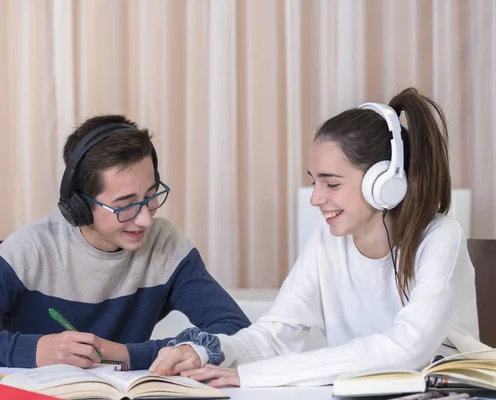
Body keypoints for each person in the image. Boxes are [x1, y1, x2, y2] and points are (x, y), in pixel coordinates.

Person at [149, 87, 484, 388]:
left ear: (384, 182)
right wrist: (209, 351)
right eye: (315, 182)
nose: (316, 198)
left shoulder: (441, 237)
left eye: (332, 183)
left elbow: (406, 348)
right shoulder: (328, 243)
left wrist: (250, 376)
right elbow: (276, 335)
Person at [0, 115, 250, 369]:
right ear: (80, 204)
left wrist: (128, 353)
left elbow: (237, 333)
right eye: (125, 205)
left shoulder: (165, 245)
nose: (146, 218)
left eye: (150, 196)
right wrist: (36, 351)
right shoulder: (31, 250)